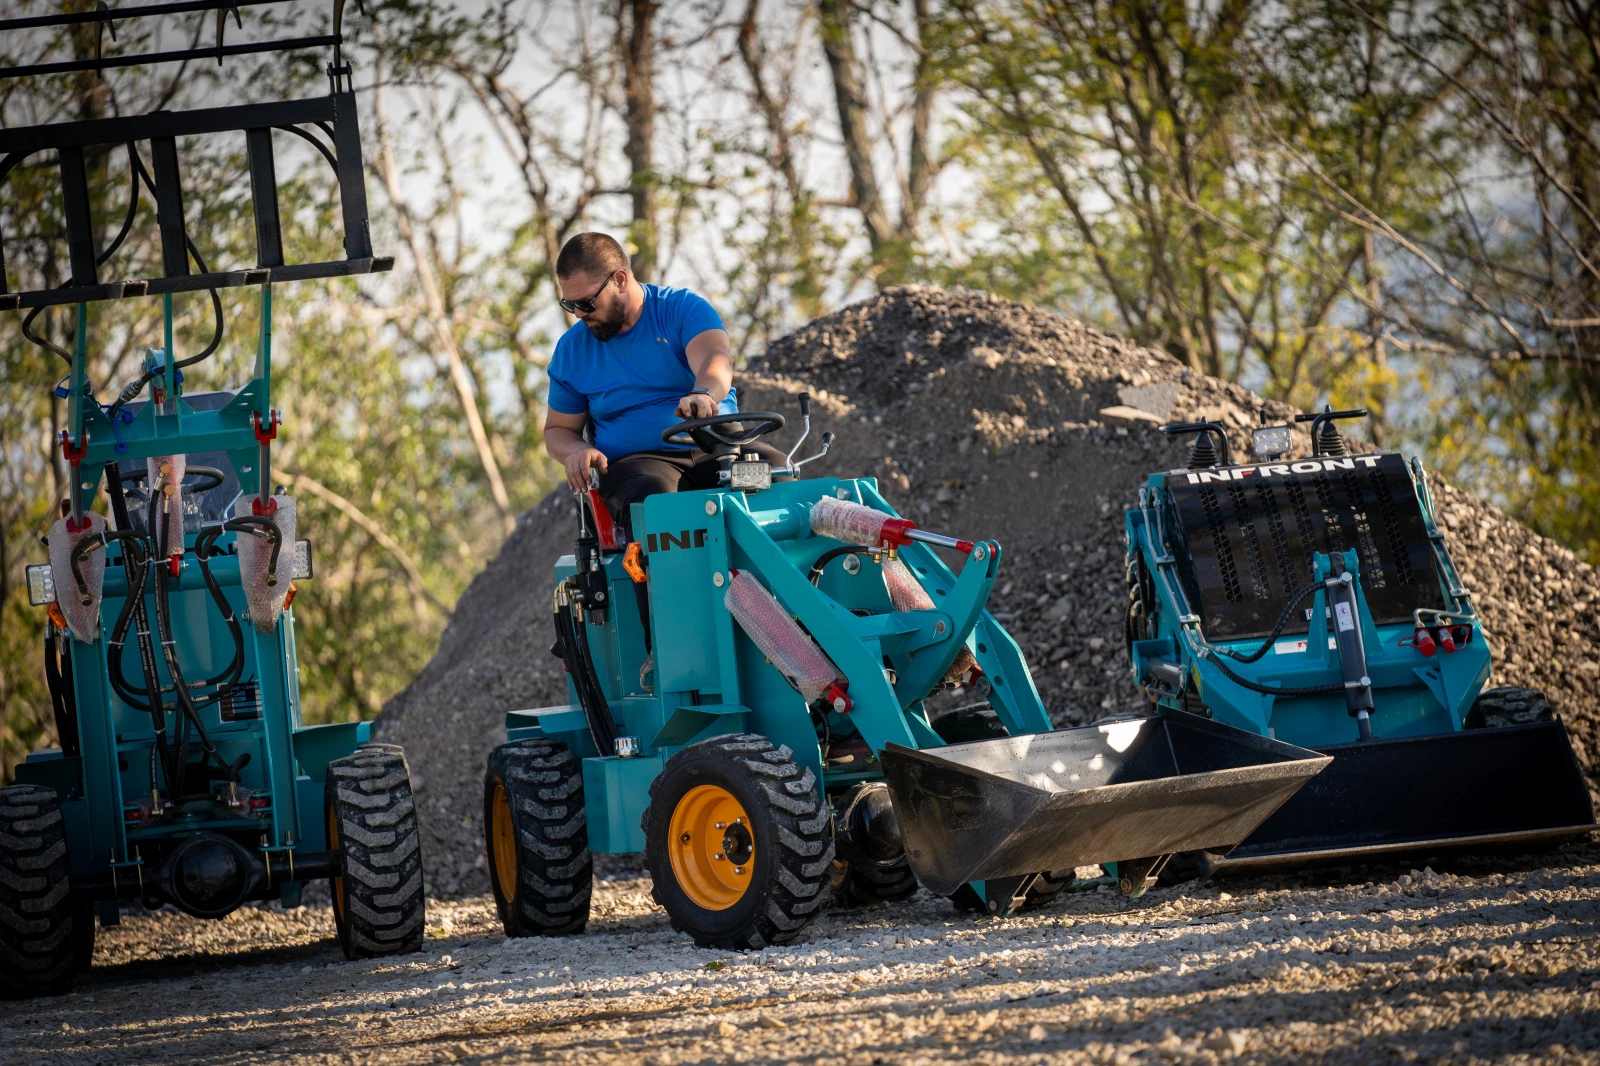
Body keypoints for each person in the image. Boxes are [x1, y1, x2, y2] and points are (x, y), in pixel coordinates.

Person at [543, 232, 784, 532]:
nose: (579, 314)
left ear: (619, 280)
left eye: (587, 303)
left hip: (719, 446)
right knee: (659, 507)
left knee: (778, 475)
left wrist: (703, 393)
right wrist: (576, 451)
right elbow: (557, 430)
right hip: (641, 466)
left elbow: (715, 357)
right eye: (570, 305)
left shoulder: (682, 309)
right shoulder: (571, 351)